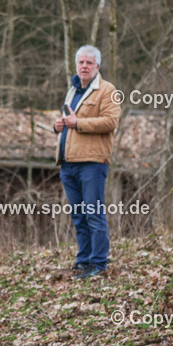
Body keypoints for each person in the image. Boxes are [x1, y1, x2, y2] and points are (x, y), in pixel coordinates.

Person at [54, 45, 120, 278]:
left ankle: (98, 263)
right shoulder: (73, 90)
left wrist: (77, 123)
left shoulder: (107, 90)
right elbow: (68, 120)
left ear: (97, 67)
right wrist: (59, 126)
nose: (84, 66)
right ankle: (83, 260)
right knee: (79, 215)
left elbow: (110, 122)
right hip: (68, 163)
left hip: (92, 163)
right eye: (81, 62)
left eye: (89, 63)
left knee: (93, 213)